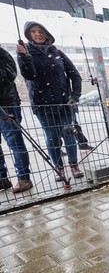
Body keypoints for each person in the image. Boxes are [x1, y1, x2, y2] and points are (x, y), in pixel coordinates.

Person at [16, 22, 84, 181]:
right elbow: (29, 75)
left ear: (46, 33)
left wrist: (74, 96)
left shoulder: (57, 52)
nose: (38, 34)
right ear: (29, 35)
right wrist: (25, 57)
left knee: (69, 134)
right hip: (43, 105)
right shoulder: (26, 52)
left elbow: (74, 75)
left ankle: (74, 165)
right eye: (33, 32)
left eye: (40, 31)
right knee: (52, 136)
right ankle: (59, 168)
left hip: (64, 103)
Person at [0, 46, 33, 193]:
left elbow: (10, 73)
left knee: (15, 142)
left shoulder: (2, 53)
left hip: (6, 104)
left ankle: (24, 178)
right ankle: (2, 179)